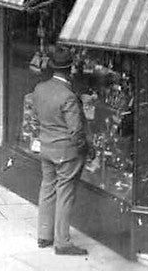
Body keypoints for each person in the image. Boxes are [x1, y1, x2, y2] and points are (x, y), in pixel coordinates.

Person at [33, 45, 93, 256]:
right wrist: (85, 149)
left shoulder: (39, 88)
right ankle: (62, 242)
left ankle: (44, 235)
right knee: (65, 194)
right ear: (70, 69)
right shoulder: (68, 96)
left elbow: (36, 117)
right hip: (66, 152)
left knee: (47, 189)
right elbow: (76, 130)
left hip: (46, 146)